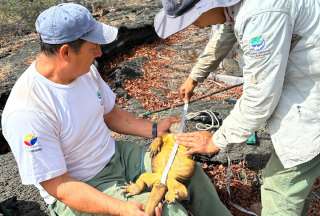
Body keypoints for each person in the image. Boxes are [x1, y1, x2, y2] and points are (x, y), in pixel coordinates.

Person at [1, 3, 231, 216]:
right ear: (65, 52)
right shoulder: (27, 112)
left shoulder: (84, 71)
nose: (100, 53)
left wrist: (154, 129)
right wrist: (123, 209)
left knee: (192, 174)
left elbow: (111, 114)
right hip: (83, 185)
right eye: (93, 48)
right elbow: (60, 187)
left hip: (116, 154)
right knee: (169, 212)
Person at [154, 0, 320, 215]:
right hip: (305, 81)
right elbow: (226, 33)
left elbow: (260, 97)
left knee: (280, 187)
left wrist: (216, 140)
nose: (193, 26)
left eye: (192, 20)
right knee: (293, 184)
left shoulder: (260, 14)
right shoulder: (238, 6)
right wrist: (196, 75)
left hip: (311, 101)